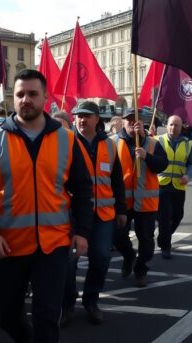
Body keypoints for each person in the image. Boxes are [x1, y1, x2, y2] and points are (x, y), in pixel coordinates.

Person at [0, 69, 93, 343]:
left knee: (46, 316)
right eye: (20, 94)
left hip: (53, 245)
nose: (26, 99)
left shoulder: (66, 139)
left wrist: (82, 231)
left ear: (45, 97)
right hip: (8, 244)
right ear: (13, 97)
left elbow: (83, 189)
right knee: (6, 313)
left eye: (33, 94)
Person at [60, 101, 127, 327]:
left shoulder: (109, 145)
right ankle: (67, 303)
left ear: (97, 119)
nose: (81, 119)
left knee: (101, 257)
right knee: (68, 262)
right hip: (73, 214)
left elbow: (117, 180)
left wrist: (121, 209)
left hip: (103, 214)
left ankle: (91, 300)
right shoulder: (66, 142)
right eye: (78, 115)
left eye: (87, 115)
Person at [112, 109, 168, 288]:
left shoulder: (152, 143)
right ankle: (129, 256)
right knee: (117, 237)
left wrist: (147, 157)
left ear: (142, 123)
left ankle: (141, 269)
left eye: (135, 120)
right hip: (121, 202)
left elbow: (162, 165)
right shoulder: (112, 142)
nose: (132, 123)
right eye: (128, 119)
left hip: (146, 203)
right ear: (122, 122)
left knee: (147, 241)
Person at [156, 115, 192, 259]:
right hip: (161, 184)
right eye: (171, 124)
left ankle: (163, 237)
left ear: (181, 127)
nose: (173, 128)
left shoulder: (187, 143)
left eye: (177, 125)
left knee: (178, 215)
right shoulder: (157, 140)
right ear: (167, 126)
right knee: (164, 217)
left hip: (179, 185)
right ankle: (165, 247)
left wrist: (188, 175)